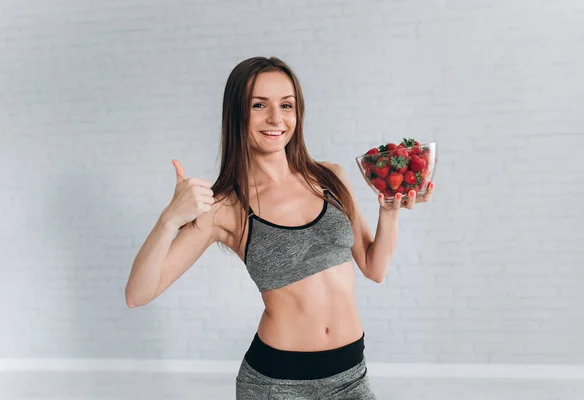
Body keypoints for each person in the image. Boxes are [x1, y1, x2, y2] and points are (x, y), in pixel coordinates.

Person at [125, 56, 434, 399]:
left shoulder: (330, 177)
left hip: (351, 375)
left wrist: (389, 211)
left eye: (286, 105)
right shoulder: (225, 207)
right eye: (259, 105)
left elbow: (374, 268)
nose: (276, 118)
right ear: (237, 114)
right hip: (277, 384)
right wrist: (169, 219)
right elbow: (138, 294)